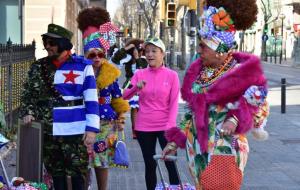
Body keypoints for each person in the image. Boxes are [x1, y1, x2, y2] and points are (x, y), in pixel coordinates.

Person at [162, 0, 269, 189]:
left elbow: (259, 102)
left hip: (225, 146)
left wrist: (234, 119)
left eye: (204, 46)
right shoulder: (201, 72)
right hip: (197, 149)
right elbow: (191, 111)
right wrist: (175, 141)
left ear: (220, 51)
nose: (199, 50)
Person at [19, 24, 100, 190]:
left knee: (77, 173)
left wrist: (91, 129)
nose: (47, 46)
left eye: (51, 43)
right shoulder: (38, 67)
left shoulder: (83, 66)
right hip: (49, 129)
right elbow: (28, 94)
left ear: (63, 44)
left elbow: (91, 99)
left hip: (75, 129)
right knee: (56, 174)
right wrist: (28, 111)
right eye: (45, 42)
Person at [76, 6, 130, 190]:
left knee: (102, 160)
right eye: (93, 54)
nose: (97, 58)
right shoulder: (80, 72)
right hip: (84, 121)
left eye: (101, 54)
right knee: (84, 160)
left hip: (107, 123)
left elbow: (118, 98)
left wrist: (122, 118)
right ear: (86, 55)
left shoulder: (111, 74)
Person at [123, 37, 180, 190]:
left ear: (162, 54)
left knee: (170, 162)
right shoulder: (140, 74)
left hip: (165, 126)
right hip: (144, 127)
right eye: (147, 51)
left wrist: (170, 127)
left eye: (154, 51)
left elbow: (174, 103)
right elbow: (124, 95)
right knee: (150, 164)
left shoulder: (172, 75)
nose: (150, 55)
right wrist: (136, 88)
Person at [111, 38, 148, 139]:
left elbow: (141, 70)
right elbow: (115, 58)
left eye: (141, 50)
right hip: (130, 85)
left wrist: (137, 58)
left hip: (143, 85)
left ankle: (141, 128)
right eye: (137, 50)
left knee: (141, 108)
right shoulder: (127, 58)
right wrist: (126, 47)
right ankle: (134, 130)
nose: (140, 52)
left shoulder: (144, 60)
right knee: (133, 108)